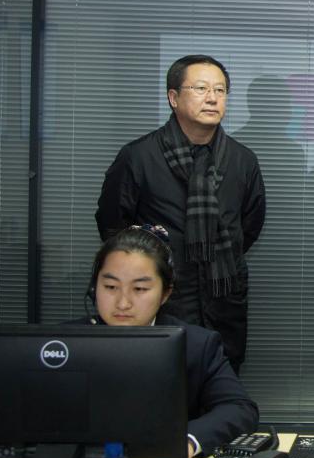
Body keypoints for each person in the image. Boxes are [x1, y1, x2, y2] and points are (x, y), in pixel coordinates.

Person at [0, 225, 258, 458]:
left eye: (140, 289)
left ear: (165, 294)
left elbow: (238, 407)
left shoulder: (197, 344)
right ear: (94, 287)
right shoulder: (60, 343)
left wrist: (189, 440)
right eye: (110, 286)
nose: (123, 302)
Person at [96, 54, 266, 373]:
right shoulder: (138, 157)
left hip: (223, 301)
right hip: (162, 302)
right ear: (173, 98)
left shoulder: (242, 160)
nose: (212, 98)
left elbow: (249, 226)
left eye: (220, 90)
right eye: (200, 88)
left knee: (220, 387)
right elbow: (113, 227)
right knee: (156, 387)